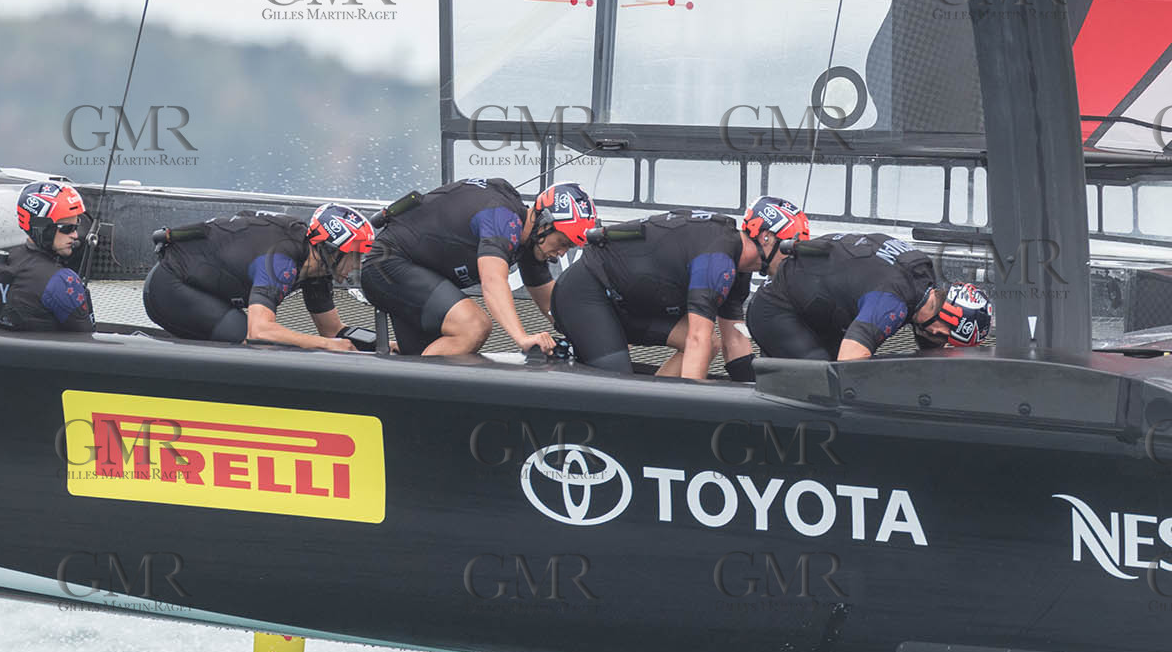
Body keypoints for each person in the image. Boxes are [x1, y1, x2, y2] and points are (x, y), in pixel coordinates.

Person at [553, 196, 810, 379]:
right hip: (586, 293)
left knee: (711, 344)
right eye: (789, 248)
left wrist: (756, 388)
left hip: (626, 301)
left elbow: (735, 342)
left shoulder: (738, 267)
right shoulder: (718, 259)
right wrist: (691, 412)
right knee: (618, 384)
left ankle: (651, 415)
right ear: (766, 238)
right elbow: (696, 338)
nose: (793, 259)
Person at [359, 179, 597, 357]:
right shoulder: (502, 218)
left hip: (413, 270)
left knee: (428, 353)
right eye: (564, 242)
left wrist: (588, 338)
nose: (563, 252)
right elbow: (492, 282)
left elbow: (552, 305)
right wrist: (522, 338)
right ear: (544, 223)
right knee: (473, 325)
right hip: (387, 263)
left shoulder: (529, 239)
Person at [142, 203, 374, 349]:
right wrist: (326, 345)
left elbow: (332, 331)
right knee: (264, 346)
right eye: (354, 256)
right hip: (170, 287)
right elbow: (260, 331)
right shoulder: (281, 259)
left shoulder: (317, 266)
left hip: (202, 287)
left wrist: (382, 345)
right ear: (331, 250)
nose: (357, 265)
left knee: (284, 343)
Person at [747, 231, 993, 360]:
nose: (943, 345)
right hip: (776, 310)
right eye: (947, 342)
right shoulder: (891, 303)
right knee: (823, 377)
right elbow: (850, 359)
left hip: (817, 300)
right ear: (940, 331)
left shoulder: (921, 269)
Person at [0, 182, 95, 331]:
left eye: (77, 225)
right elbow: (89, 336)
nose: (75, 235)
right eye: (67, 228)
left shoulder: (8, 260)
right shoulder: (63, 281)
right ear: (43, 228)